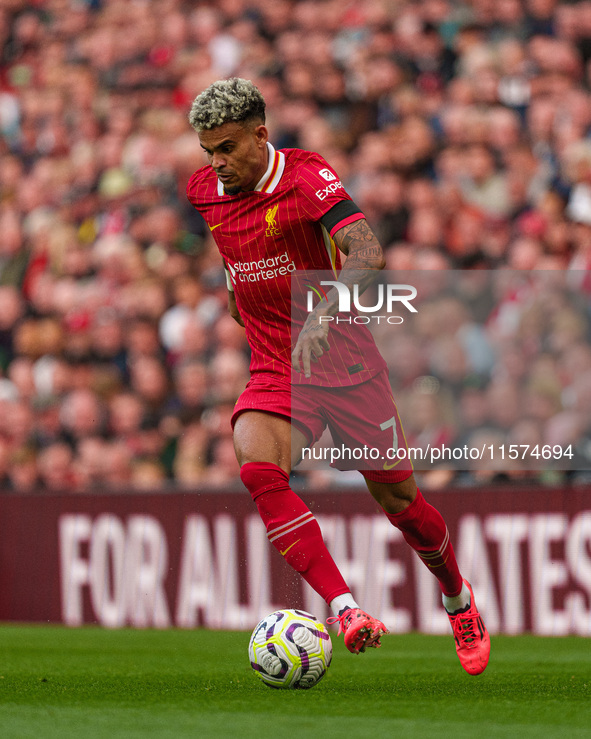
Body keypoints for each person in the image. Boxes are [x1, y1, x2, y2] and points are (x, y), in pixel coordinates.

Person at [186, 78, 489, 675]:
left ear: (260, 136)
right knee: (258, 468)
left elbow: (366, 252)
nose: (216, 163)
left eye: (226, 148)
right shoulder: (204, 190)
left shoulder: (304, 177)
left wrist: (324, 312)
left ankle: (457, 598)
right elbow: (228, 249)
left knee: (399, 500)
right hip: (277, 363)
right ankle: (347, 609)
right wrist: (235, 291)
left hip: (345, 361)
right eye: (207, 151)